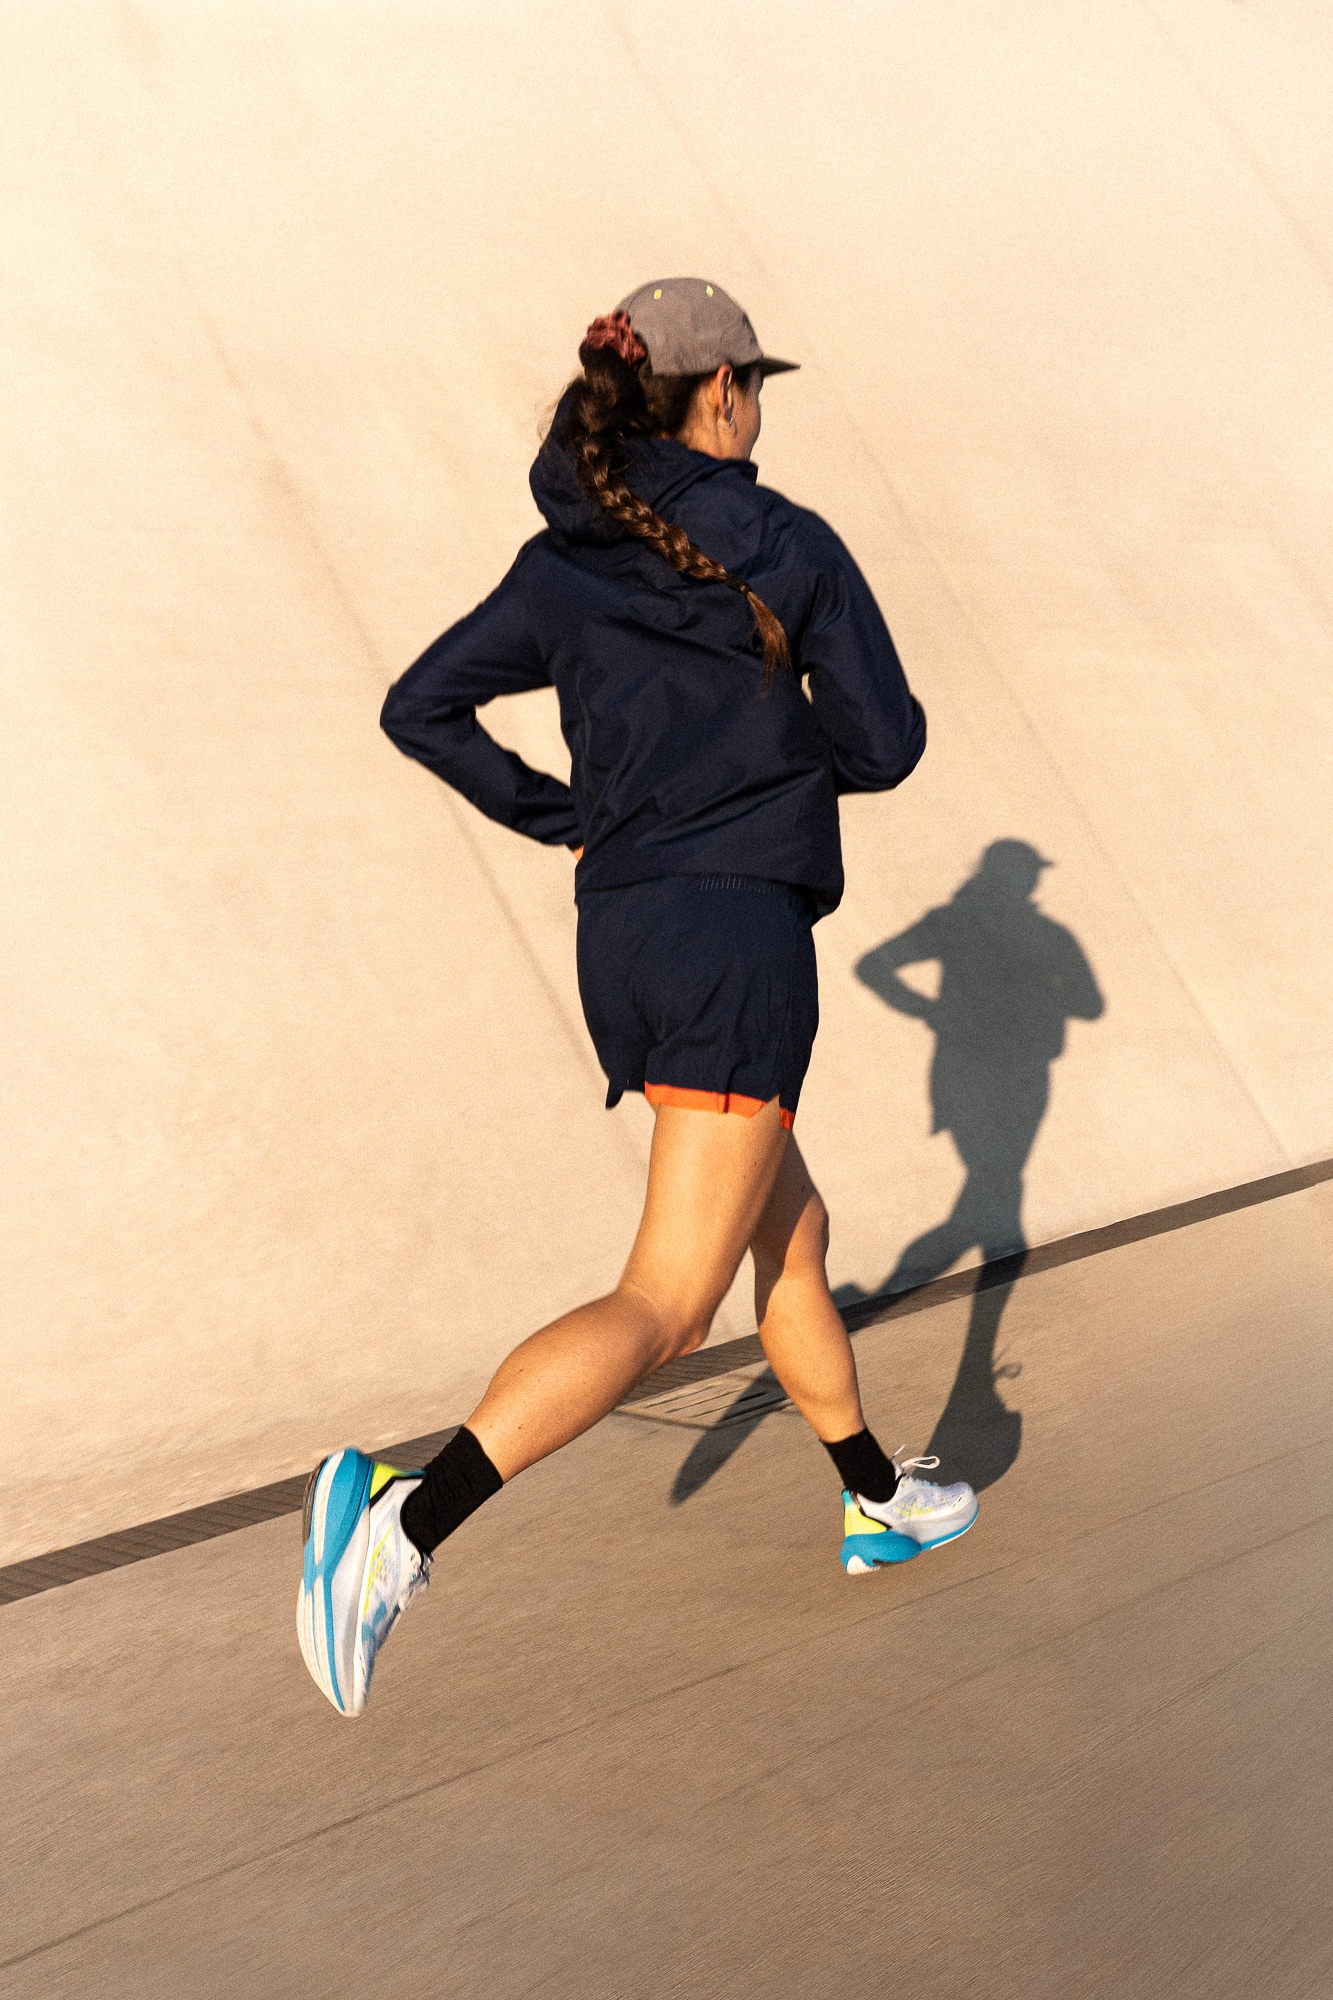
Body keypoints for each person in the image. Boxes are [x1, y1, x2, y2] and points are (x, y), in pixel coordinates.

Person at [297, 278, 978, 1717]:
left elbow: (420, 706)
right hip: (737, 943)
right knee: (667, 1300)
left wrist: (570, 813)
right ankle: (401, 1519)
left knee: (789, 1234)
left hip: (624, 938)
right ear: (720, 391)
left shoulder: (560, 564)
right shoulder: (786, 544)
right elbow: (886, 745)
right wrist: (765, 763)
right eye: (754, 385)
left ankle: (875, 1495)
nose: (757, 408)